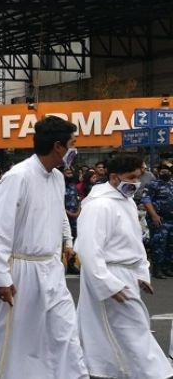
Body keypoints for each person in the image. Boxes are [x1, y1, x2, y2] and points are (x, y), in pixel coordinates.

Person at [0, 116, 86, 379]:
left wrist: (67, 242)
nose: (76, 149)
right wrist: (0, 277)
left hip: (51, 268)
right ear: (59, 146)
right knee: (17, 342)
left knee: (63, 332)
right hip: (19, 272)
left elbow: (59, 213)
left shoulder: (57, 178)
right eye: (73, 143)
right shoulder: (18, 177)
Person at [75, 155, 173, 379]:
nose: (136, 183)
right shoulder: (98, 206)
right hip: (109, 274)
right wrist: (107, 284)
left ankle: (130, 372)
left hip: (127, 274)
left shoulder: (126, 201)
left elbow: (134, 242)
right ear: (113, 177)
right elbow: (89, 249)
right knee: (131, 330)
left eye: (138, 178)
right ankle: (156, 373)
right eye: (131, 178)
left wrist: (141, 272)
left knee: (130, 329)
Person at [141, 161, 173, 279]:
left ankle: (167, 267)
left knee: (170, 245)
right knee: (159, 244)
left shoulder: (171, 183)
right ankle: (157, 269)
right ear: (159, 171)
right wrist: (154, 215)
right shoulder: (152, 184)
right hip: (160, 219)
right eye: (163, 170)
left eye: (168, 170)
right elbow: (146, 200)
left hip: (171, 220)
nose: (166, 172)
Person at [63, 167, 82, 275]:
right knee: (64, 241)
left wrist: (78, 211)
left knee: (74, 241)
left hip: (75, 217)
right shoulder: (60, 185)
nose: (69, 171)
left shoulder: (74, 184)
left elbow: (78, 198)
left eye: (71, 169)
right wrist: (68, 213)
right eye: (67, 170)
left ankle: (71, 264)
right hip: (63, 217)